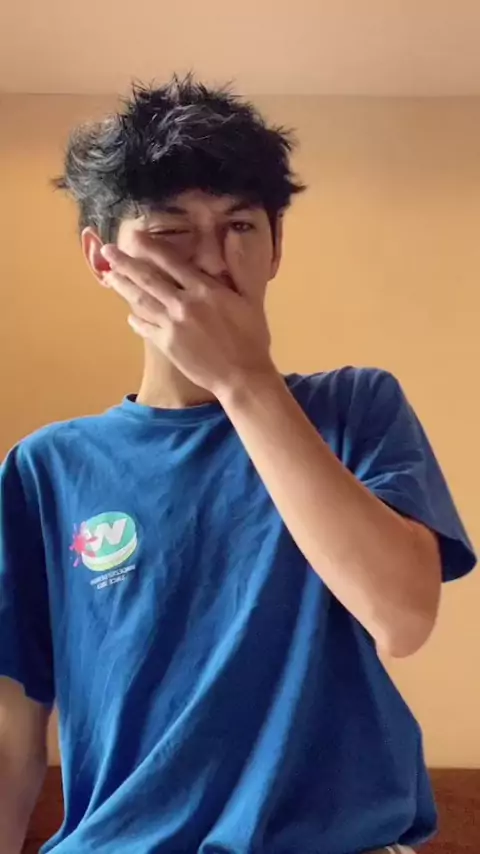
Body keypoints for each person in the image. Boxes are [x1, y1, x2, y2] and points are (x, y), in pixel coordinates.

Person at [0, 75, 475, 854]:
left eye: (241, 226)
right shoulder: (46, 469)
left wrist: (244, 381)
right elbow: (12, 727)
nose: (214, 260)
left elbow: (402, 617)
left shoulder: (356, 407)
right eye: (170, 229)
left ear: (276, 247)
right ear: (101, 258)